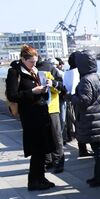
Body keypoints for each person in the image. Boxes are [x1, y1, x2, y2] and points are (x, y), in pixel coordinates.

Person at [5, 45, 56, 191]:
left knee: (42, 148)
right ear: (23, 59)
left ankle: (40, 177)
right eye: (31, 62)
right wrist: (33, 91)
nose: (34, 64)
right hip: (30, 116)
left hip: (41, 114)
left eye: (35, 61)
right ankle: (34, 180)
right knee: (37, 149)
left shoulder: (33, 70)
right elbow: (12, 95)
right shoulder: (14, 72)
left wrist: (43, 89)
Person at [72, 50, 100, 187]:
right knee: (98, 149)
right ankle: (99, 176)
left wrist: (70, 96)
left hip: (91, 120)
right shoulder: (96, 77)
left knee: (98, 150)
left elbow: (84, 101)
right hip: (97, 117)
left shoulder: (85, 80)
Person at [38, 57, 66, 174]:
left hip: (52, 108)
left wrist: (52, 84)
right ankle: (48, 161)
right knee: (46, 136)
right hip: (40, 108)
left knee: (56, 136)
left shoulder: (50, 69)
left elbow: (61, 87)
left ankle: (58, 162)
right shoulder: (32, 72)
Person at [68, 51, 91, 158]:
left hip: (73, 100)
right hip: (80, 101)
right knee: (83, 124)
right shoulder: (80, 72)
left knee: (78, 125)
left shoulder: (69, 72)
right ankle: (84, 148)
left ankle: (82, 148)